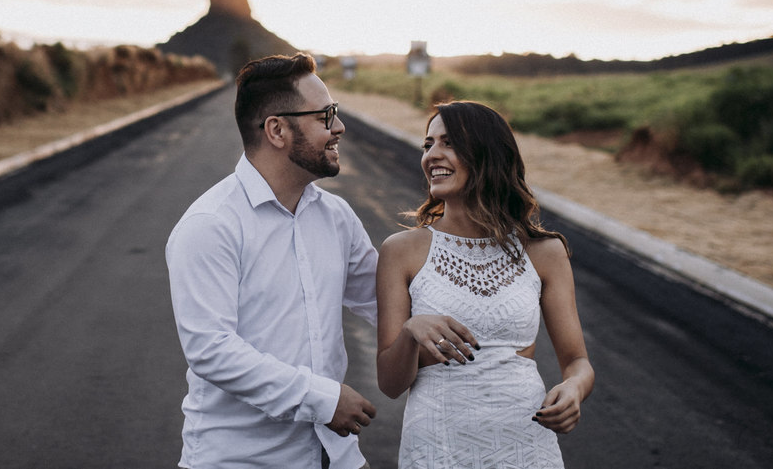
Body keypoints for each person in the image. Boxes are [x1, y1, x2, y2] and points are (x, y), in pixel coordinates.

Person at [166, 54, 380, 469]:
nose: (339, 127)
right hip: (242, 459)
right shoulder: (210, 225)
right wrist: (322, 398)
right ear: (277, 130)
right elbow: (211, 350)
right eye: (326, 115)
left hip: (337, 456)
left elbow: (385, 302)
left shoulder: (337, 218)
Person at [375, 100, 595, 468]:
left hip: (525, 445)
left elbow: (577, 361)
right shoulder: (401, 251)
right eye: (427, 144)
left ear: (487, 153)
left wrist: (574, 388)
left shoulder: (544, 251)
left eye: (449, 143)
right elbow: (390, 384)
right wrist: (411, 331)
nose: (432, 155)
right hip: (436, 445)